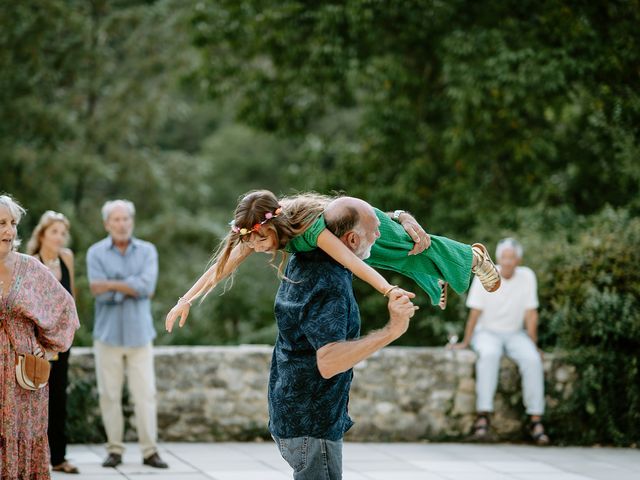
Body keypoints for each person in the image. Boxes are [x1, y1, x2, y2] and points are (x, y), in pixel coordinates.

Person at [166, 190, 500, 332]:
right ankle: (435, 278)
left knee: (411, 244)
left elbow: (353, 262)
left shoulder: (310, 229)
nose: (255, 246)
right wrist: (185, 300)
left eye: (260, 238)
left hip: (366, 228)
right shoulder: (255, 235)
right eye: (250, 240)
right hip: (351, 240)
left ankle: (473, 257)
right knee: (397, 261)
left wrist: (388, 292)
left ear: (274, 226)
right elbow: (220, 268)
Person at [269, 197, 418, 479]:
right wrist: (392, 330)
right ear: (350, 239)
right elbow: (329, 361)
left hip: (289, 411)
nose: (379, 235)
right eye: (375, 230)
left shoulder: (304, 255)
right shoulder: (330, 283)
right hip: (312, 424)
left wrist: (399, 216)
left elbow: (347, 216)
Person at [0, 194, 80, 479]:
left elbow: (66, 310)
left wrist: (46, 347)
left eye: (12, 223)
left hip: (23, 374)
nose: (9, 231)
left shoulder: (30, 268)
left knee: (22, 435)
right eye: (1, 224)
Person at [86, 199, 168, 469]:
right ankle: (114, 450)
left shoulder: (147, 251)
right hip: (107, 335)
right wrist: (130, 286)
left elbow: (147, 286)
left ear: (131, 222)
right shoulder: (95, 253)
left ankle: (149, 451)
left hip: (139, 335)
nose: (121, 224)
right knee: (108, 395)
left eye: (125, 219)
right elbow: (97, 290)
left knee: (145, 394)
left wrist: (112, 285)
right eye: (116, 220)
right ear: (107, 224)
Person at [449, 237, 550, 445]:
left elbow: (531, 314)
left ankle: (535, 420)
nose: (507, 261)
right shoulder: (485, 272)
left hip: (515, 333)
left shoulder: (527, 276)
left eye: (511, 257)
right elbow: (475, 312)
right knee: (489, 355)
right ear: (498, 258)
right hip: (487, 332)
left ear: (518, 260)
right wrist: (466, 342)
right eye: (504, 257)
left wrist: (534, 344)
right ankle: (483, 416)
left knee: (532, 360)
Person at [27, 211, 80, 474]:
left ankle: (59, 457)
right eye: (54, 232)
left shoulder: (66, 258)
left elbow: (72, 301)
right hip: (36, 344)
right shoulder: (31, 263)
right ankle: (34, 458)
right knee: (34, 399)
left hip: (62, 343)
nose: (59, 237)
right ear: (42, 235)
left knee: (59, 398)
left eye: (62, 232)